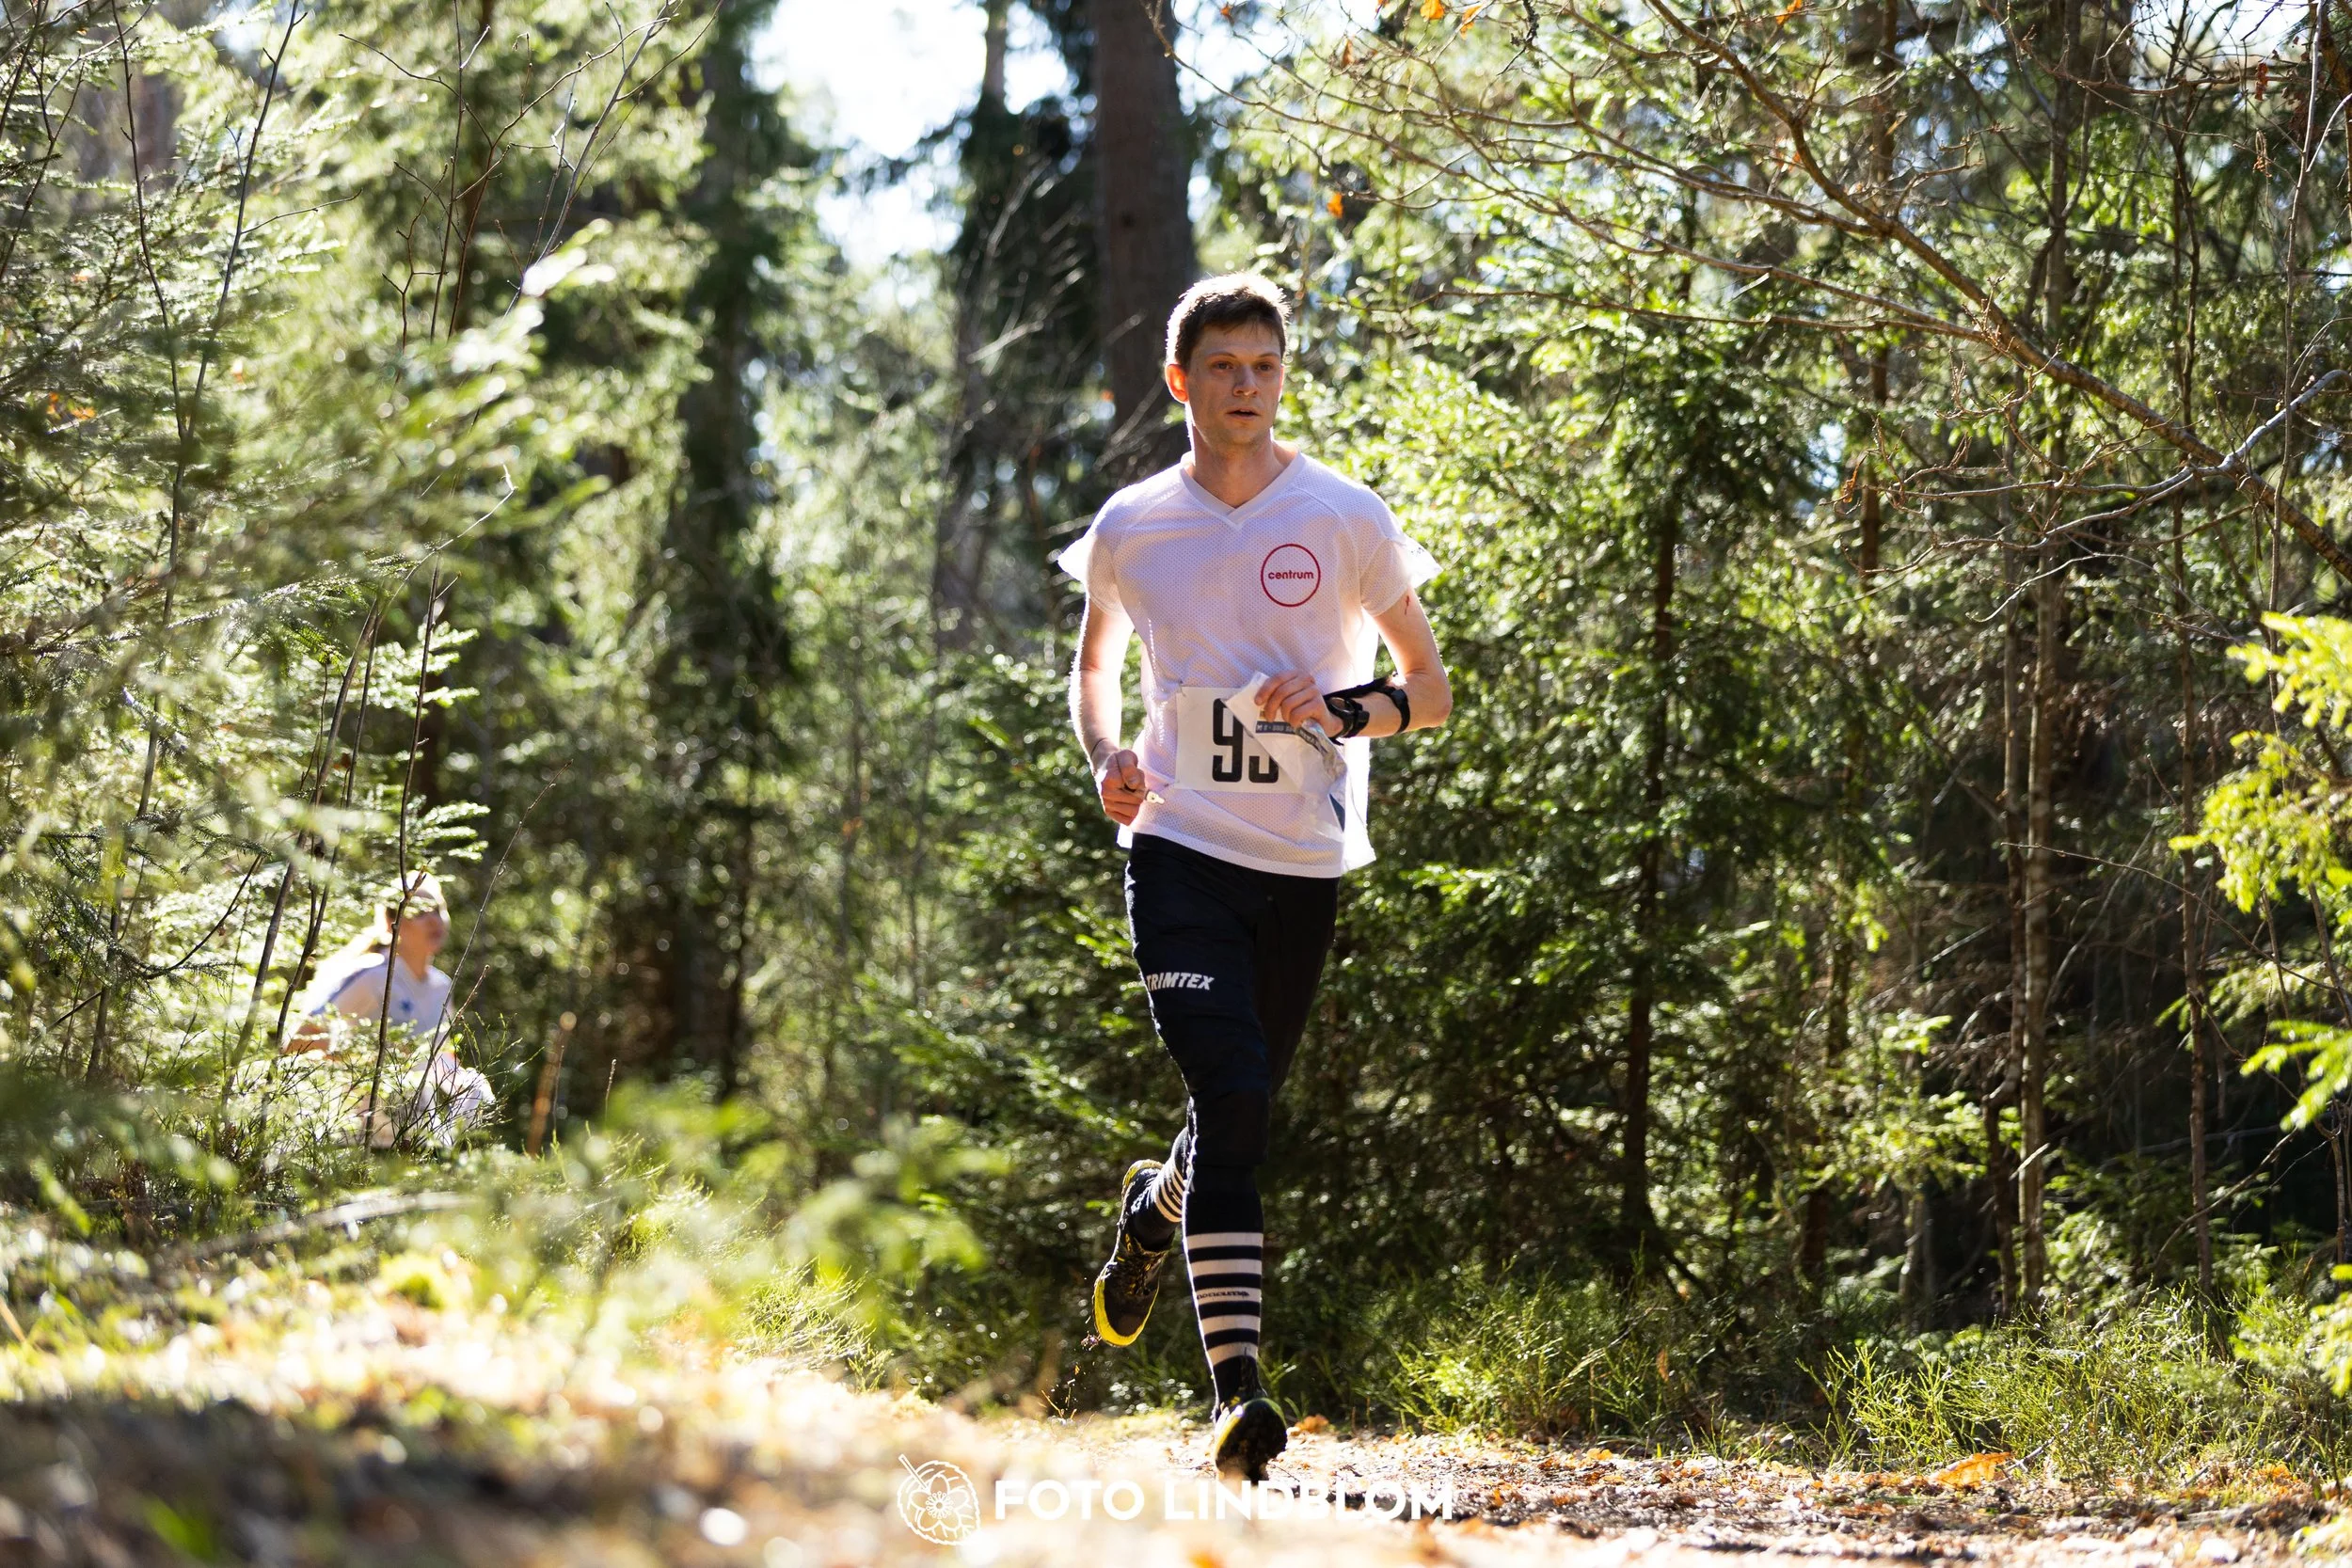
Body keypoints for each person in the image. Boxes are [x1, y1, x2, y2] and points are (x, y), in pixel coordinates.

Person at [1061, 274, 1453, 1481]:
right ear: (1180, 382)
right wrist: (1107, 760)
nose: (1246, 387)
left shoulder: (1343, 514)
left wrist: (1338, 704)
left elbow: (1426, 694)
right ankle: (1239, 1397)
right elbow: (1091, 675)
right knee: (1230, 1090)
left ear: (1283, 376)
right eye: (1223, 367)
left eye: (1265, 367)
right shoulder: (1133, 524)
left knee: (1234, 1113)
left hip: (1303, 860)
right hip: (1178, 848)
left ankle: (1150, 1213)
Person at [284, 870, 493, 1147]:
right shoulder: (372, 976)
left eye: (438, 910)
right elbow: (297, 1042)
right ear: (392, 922)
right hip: (354, 1142)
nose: (433, 920)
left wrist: (467, 1085)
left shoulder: (442, 986)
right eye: (420, 912)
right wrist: (365, 1056)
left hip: (413, 1144)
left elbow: (439, 1055)